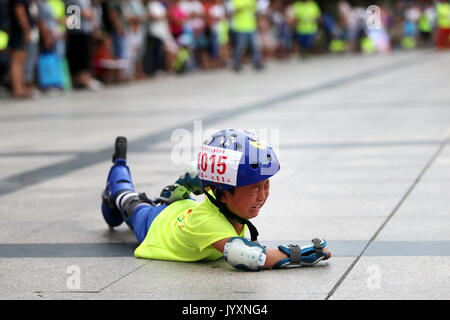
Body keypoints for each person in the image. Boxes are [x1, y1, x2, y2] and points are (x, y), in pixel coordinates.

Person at [100, 130, 332, 271]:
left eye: (266, 185)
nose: (262, 196)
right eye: (253, 189)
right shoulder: (208, 224)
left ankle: (163, 193)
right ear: (222, 193)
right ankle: (118, 171)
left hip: (187, 208)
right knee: (129, 201)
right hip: (158, 223)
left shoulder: (224, 199)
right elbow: (250, 257)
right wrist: (298, 254)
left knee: (192, 174)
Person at [229, 0, 263, 71]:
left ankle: (256, 63)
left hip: (252, 26)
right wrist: (243, 7)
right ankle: (236, 64)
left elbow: (256, 12)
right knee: (240, 46)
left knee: (255, 46)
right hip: (241, 27)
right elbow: (232, 12)